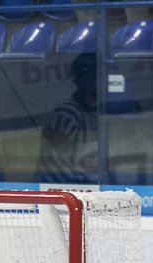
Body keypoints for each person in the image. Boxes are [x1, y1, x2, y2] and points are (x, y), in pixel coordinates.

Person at [35, 53, 99, 185]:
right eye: (89, 77)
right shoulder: (66, 114)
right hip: (60, 192)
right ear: (80, 80)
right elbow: (56, 166)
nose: (94, 81)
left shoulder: (94, 113)